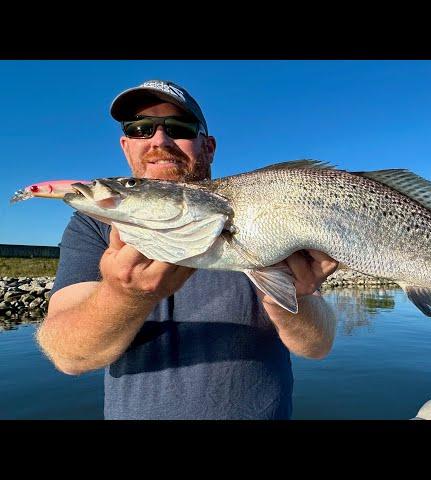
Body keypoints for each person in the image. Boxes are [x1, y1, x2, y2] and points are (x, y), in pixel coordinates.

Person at [36, 79, 339, 420]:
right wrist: (124, 295)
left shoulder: (269, 215)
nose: (159, 141)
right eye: (140, 129)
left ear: (208, 147)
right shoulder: (92, 225)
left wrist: (289, 297)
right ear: (126, 146)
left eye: (179, 128)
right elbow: (68, 356)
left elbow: (317, 346)